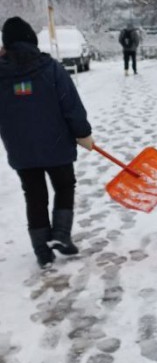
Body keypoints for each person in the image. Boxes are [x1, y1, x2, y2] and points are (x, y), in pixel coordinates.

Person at [0, 16, 95, 267]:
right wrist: (82, 132)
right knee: (64, 186)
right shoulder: (50, 68)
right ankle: (61, 235)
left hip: (22, 150)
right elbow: (71, 105)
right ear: (32, 39)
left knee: (34, 196)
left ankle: (42, 250)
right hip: (56, 143)